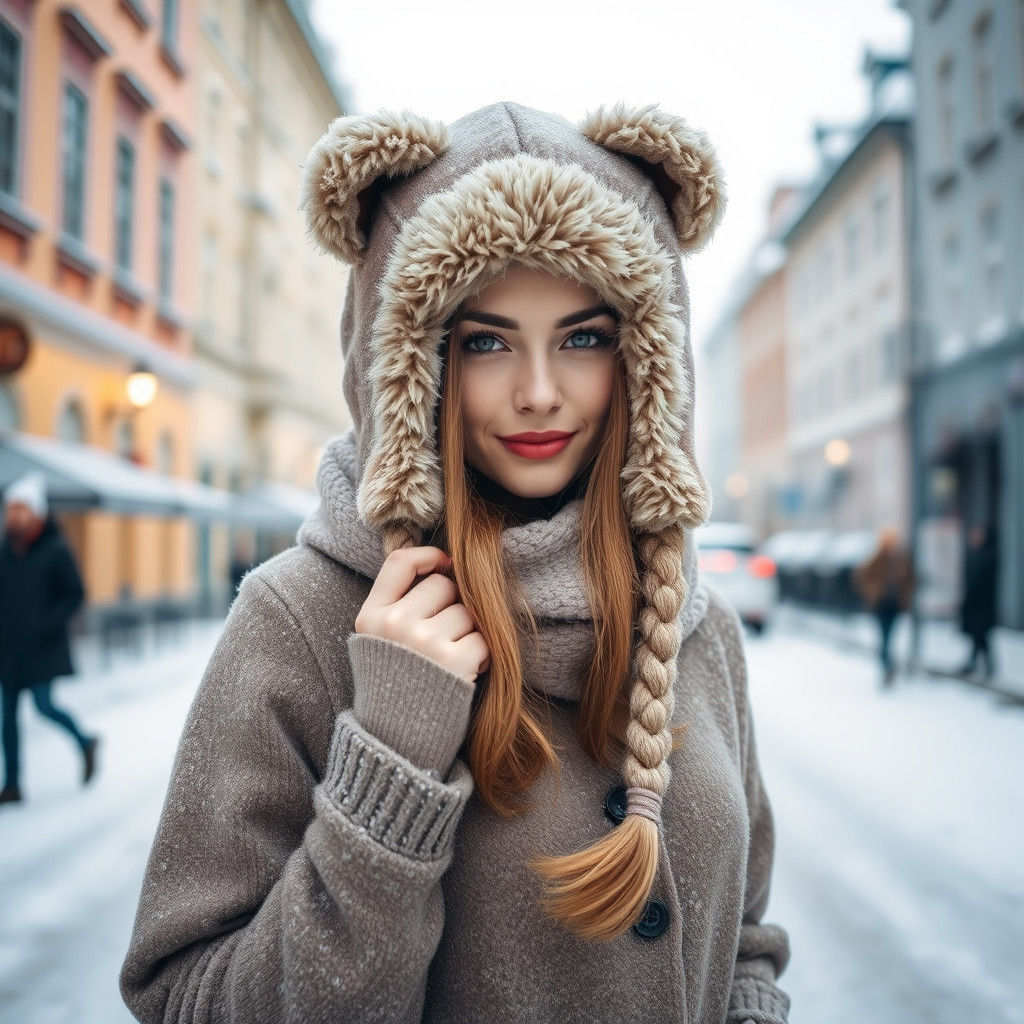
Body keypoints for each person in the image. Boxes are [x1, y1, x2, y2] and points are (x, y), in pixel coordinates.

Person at [119, 101, 791, 1023]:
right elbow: (186, 1001)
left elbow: (745, 935)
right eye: (486, 342)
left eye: (584, 338)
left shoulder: (692, 622)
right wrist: (389, 763)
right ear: (414, 361)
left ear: (645, 357)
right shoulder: (301, 617)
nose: (541, 393)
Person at [0, 471, 98, 805]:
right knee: (7, 716)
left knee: (44, 706)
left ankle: (84, 742)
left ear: (36, 513)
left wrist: (46, 622)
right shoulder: (6, 551)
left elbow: (76, 593)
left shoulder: (55, 550)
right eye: (9, 509)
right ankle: (12, 784)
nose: (12, 515)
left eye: (19, 508)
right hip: (10, 649)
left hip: (42, 647)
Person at [854, 525, 916, 689]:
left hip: (895, 605)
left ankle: (888, 667)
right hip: (880, 605)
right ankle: (888, 667)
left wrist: (906, 595)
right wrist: (873, 591)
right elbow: (862, 576)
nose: (891, 546)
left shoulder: (903, 560)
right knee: (884, 639)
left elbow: (911, 580)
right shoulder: (876, 559)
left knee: (890, 638)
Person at [956, 522, 998, 680]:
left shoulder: (988, 556)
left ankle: (985, 665)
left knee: (981, 636)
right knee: (978, 637)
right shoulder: (975, 555)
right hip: (974, 605)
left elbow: (981, 582)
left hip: (982, 605)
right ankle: (976, 663)